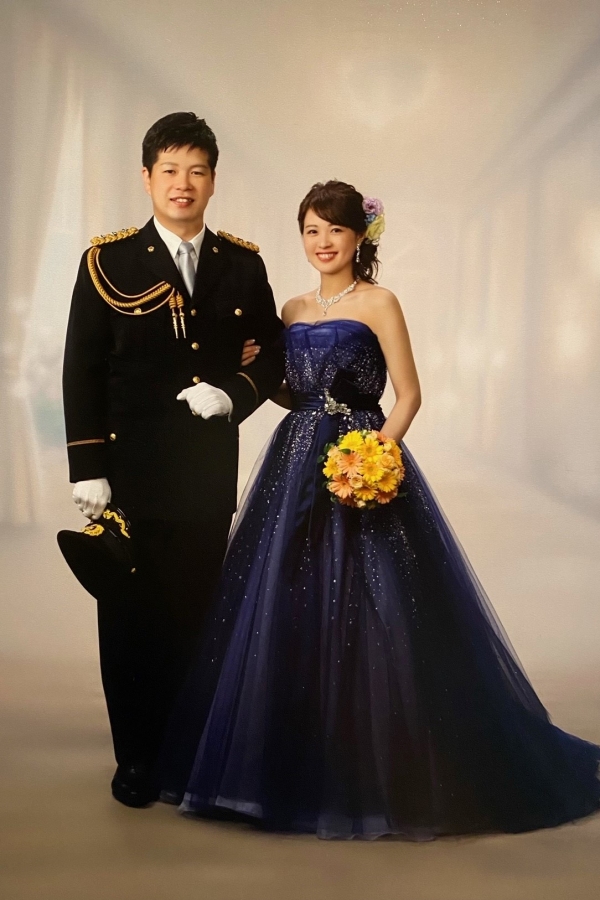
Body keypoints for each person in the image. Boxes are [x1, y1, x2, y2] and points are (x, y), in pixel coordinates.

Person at [160, 180, 599, 839]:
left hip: (362, 457)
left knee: (376, 600)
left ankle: (380, 763)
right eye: (311, 230)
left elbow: (409, 394)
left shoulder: (380, 302)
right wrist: (261, 372)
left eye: (335, 229)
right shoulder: (291, 307)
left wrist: (375, 454)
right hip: (295, 460)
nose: (322, 242)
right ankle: (285, 763)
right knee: (282, 597)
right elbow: (292, 393)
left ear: (359, 237)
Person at [62, 112, 285, 807]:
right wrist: (87, 466)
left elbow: (274, 355)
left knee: (194, 617)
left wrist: (234, 394)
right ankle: (136, 759)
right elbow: (81, 369)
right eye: (169, 170)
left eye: (196, 171)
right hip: (129, 476)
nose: (182, 184)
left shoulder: (242, 266)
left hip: (204, 475)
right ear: (147, 177)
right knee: (130, 621)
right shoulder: (107, 263)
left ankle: (186, 756)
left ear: (213, 181)